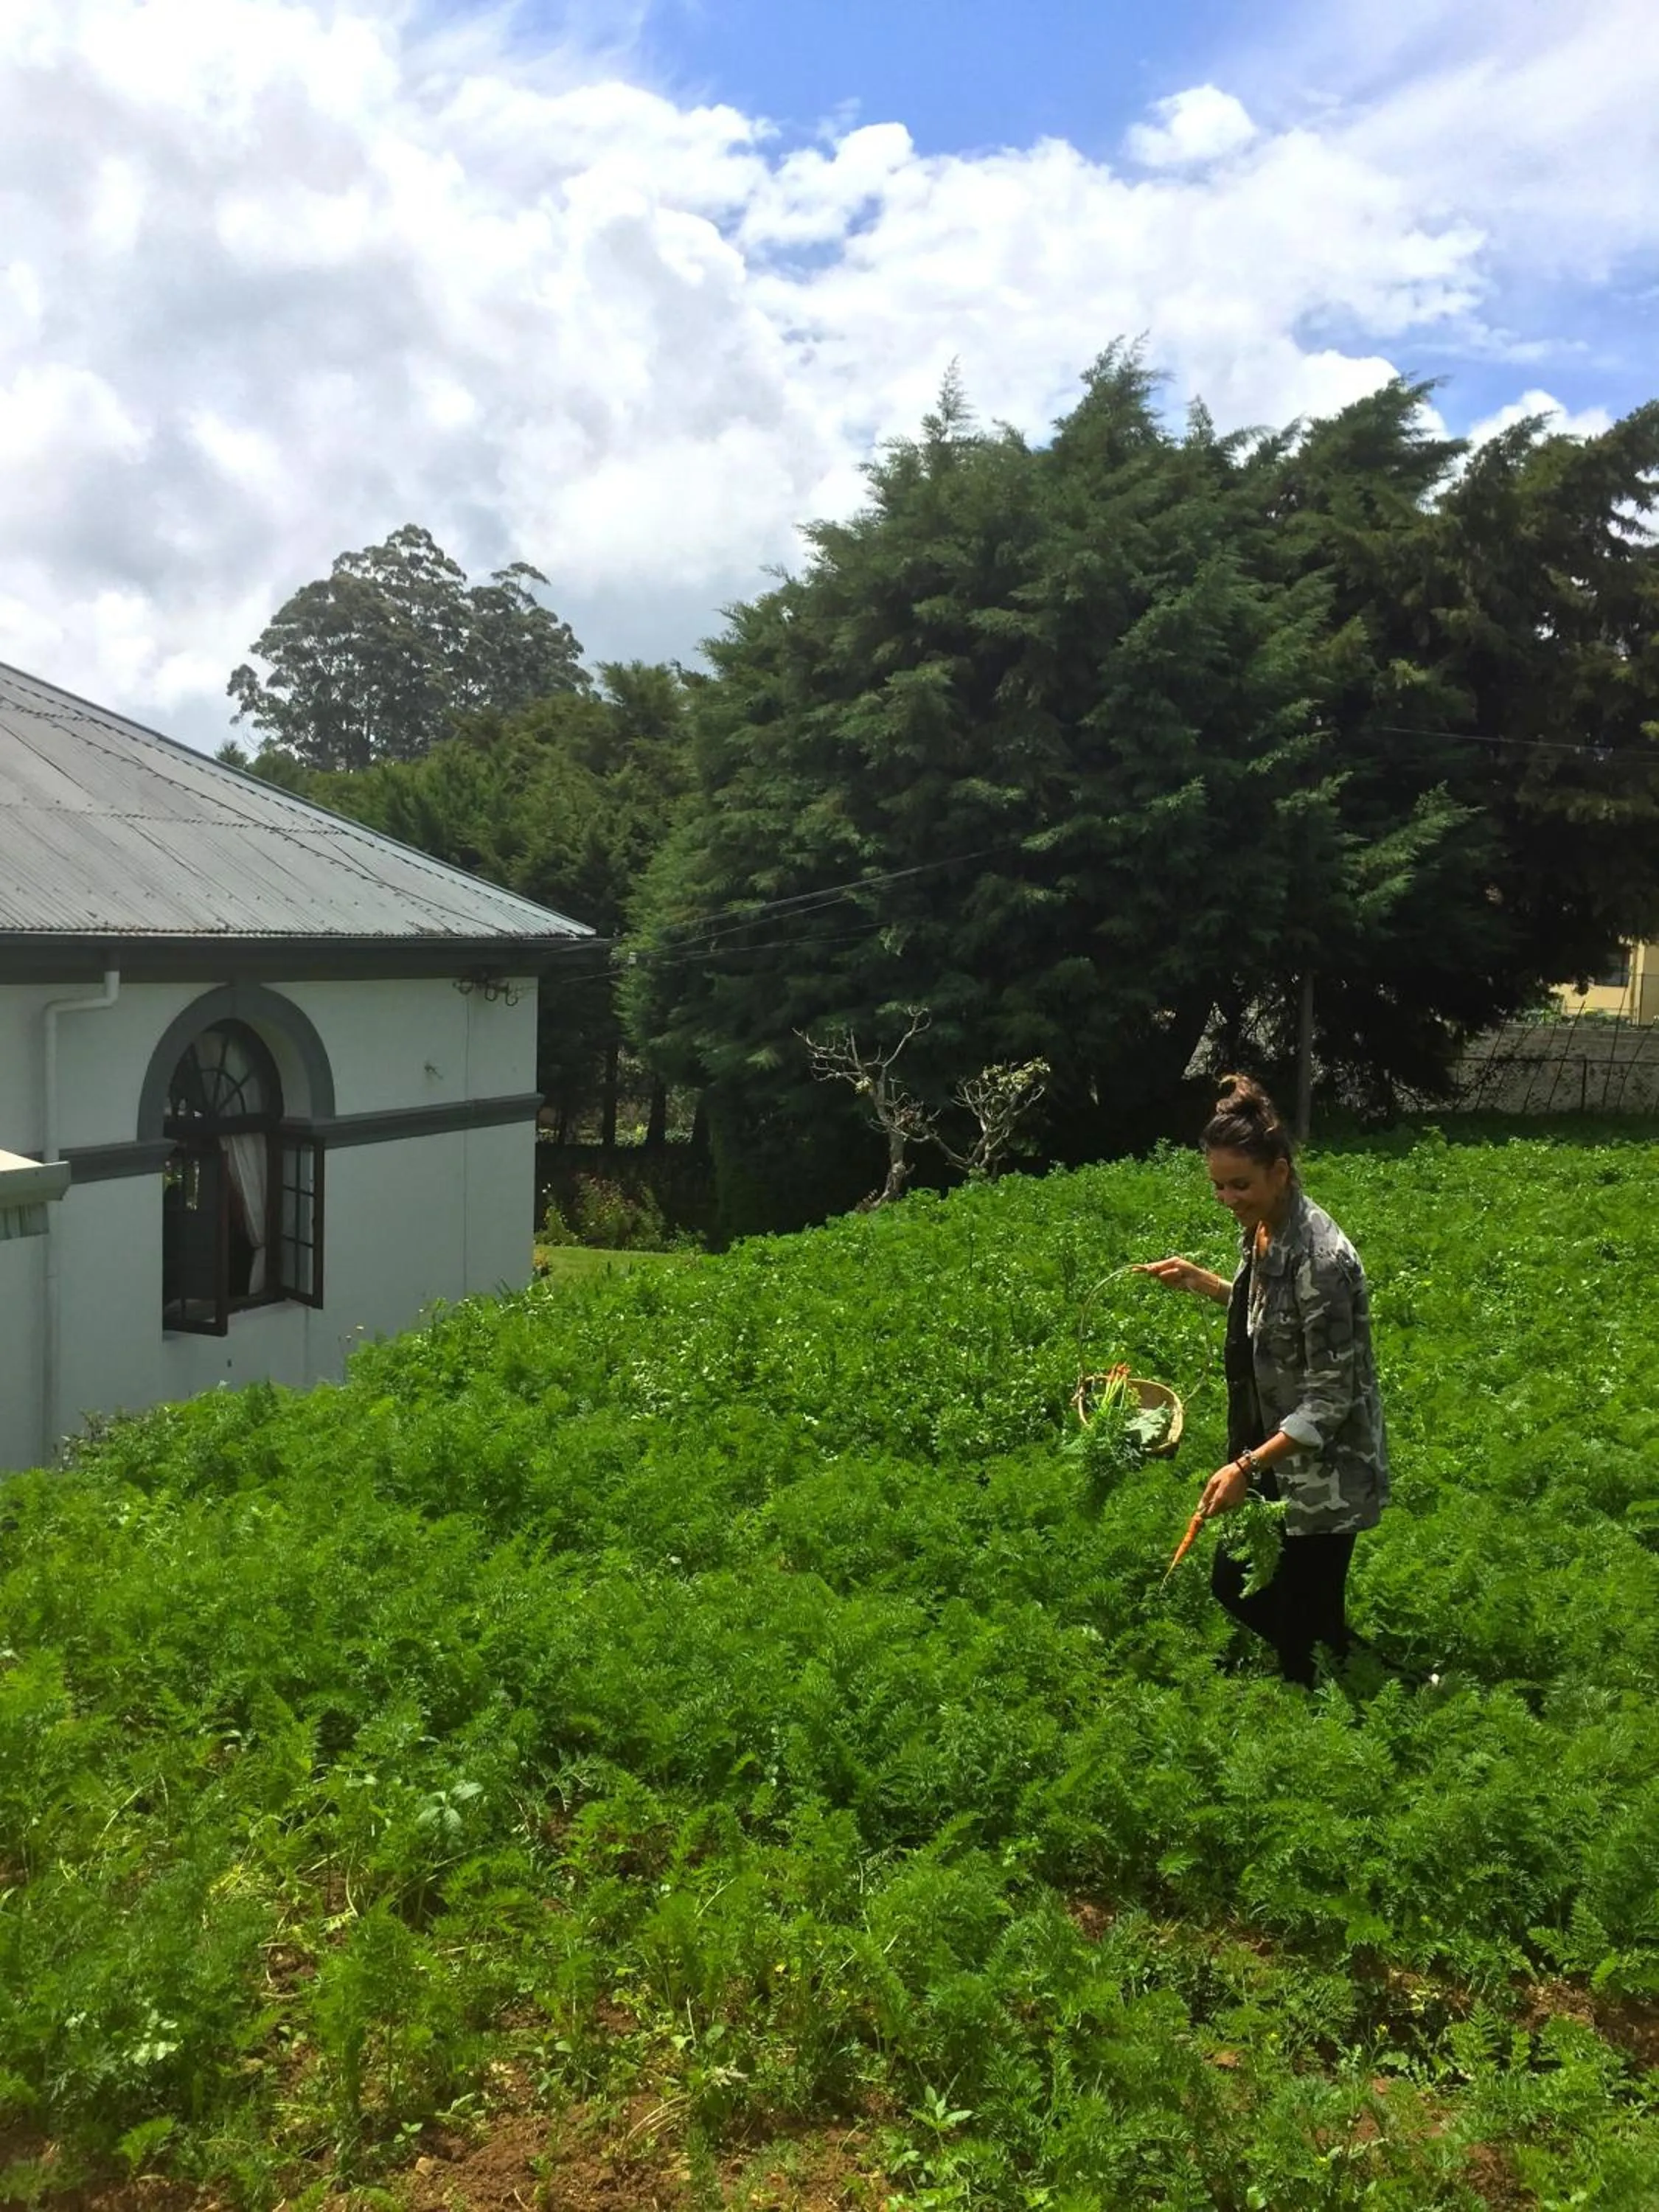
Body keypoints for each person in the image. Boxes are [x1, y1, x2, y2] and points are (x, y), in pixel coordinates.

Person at [1135, 1074, 1388, 1686]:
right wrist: (1209, 1284)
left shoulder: (1321, 1260)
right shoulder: (1266, 1226)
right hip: (1279, 1454)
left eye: (1239, 1184)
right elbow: (1275, 1324)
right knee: (1249, 1588)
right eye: (1217, 1186)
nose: (1227, 1198)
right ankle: (1345, 1672)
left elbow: (1329, 1403)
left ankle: (1376, 1694)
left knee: (1296, 1620)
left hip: (1324, 1473)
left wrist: (1244, 1468)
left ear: (1280, 1170)